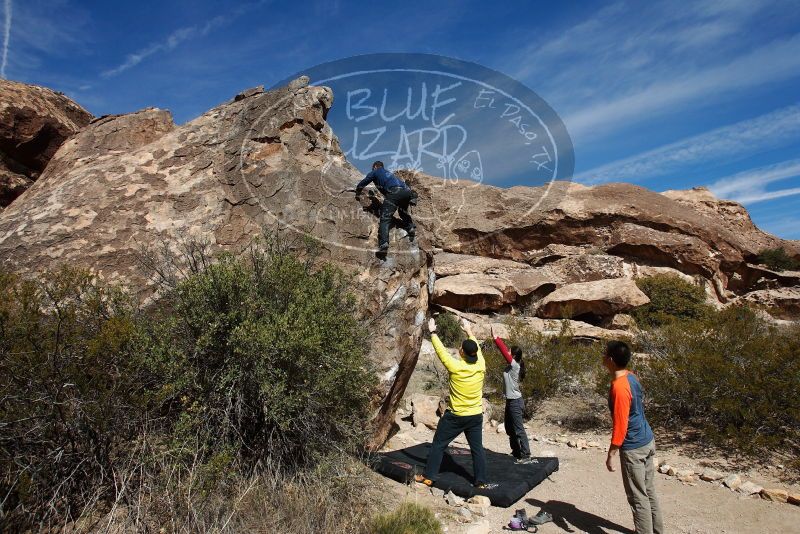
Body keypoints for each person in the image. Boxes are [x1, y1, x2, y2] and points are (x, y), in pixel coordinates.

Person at [415, 316, 490, 489]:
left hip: (455, 416)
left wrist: (432, 331)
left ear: (461, 352)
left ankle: (429, 476)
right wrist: (469, 330)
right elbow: (475, 348)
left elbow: (441, 351)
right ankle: (480, 481)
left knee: (438, 445)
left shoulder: (455, 367)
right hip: (475, 415)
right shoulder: (481, 365)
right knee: (477, 449)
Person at [603, 341, 663, 534]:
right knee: (648, 491)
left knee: (638, 497)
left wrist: (611, 453)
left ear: (611, 360)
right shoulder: (632, 377)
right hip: (646, 439)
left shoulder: (619, 388)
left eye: (604, 354)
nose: (602, 357)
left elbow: (621, 425)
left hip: (634, 447)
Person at [490, 325, 532, 463]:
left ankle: (526, 455)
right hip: (510, 401)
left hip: (515, 401)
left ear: (513, 356)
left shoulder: (515, 366)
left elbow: (504, 352)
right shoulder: (511, 366)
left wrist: (496, 338)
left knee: (519, 429)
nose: (508, 352)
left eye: (510, 351)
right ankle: (516, 451)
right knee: (509, 428)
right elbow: (506, 354)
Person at [354, 161, 416, 252]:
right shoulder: (389, 173)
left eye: (372, 168)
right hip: (406, 192)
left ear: (375, 167)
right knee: (402, 211)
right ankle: (410, 227)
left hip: (394, 192)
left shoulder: (375, 172)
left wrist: (358, 191)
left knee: (385, 218)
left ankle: (384, 244)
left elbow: (365, 181)